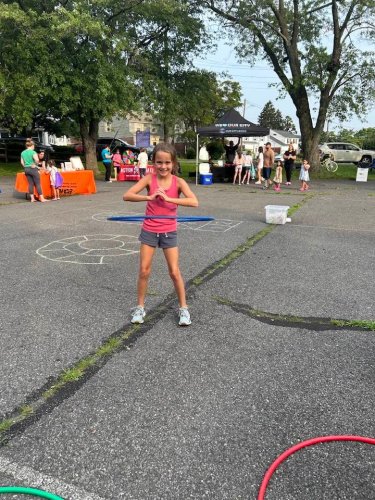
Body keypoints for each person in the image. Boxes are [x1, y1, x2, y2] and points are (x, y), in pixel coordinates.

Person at [123, 143, 198, 327]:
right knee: (144, 270)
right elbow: (127, 195)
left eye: (167, 162)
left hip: (168, 230)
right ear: (153, 162)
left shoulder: (178, 182)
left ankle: (184, 309)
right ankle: (140, 307)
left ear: (173, 163)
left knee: (174, 271)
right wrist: (149, 197)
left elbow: (194, 202)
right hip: (149, 229)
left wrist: (169, 198)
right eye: (159, 162)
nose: (163, 166)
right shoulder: (149, 179)